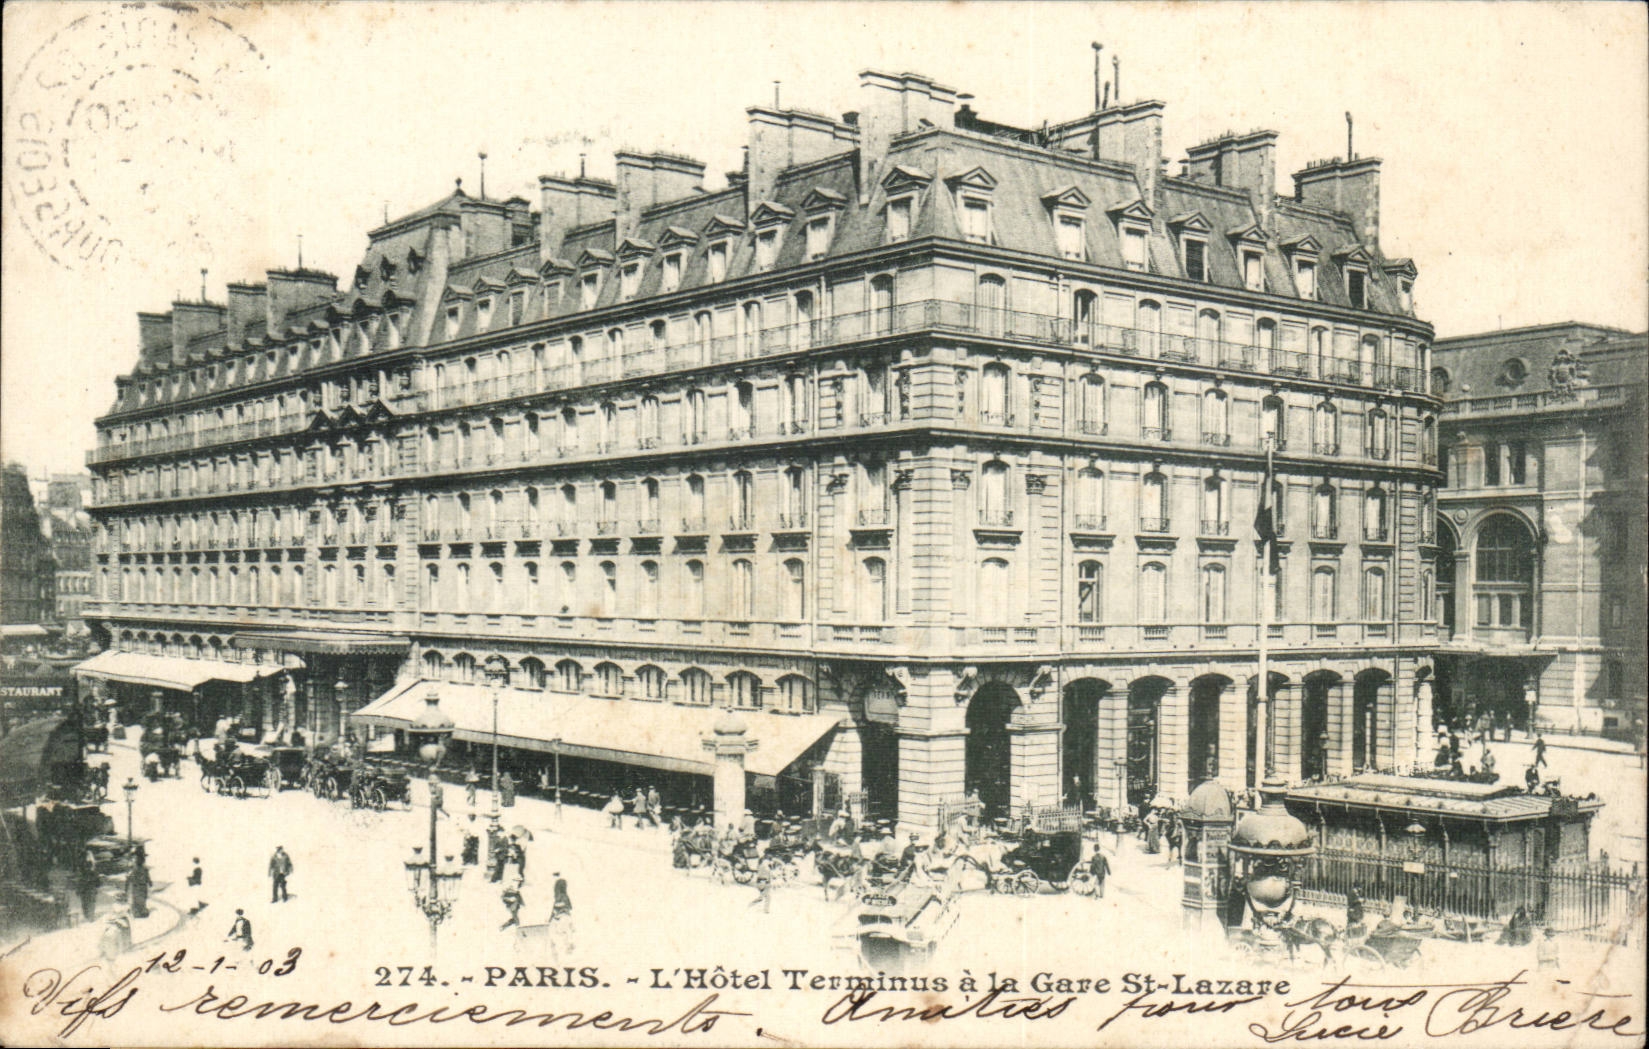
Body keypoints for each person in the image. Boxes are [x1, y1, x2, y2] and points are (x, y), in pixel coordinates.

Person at [127, 844, 151, 918]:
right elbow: (130, 876)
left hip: (140, 885)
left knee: (141, 898)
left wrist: (149, 881)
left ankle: (140, 911)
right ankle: (137, 911)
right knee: (137, 898)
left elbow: (146, 874)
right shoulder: (135, 867)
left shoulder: (142, 868)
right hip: (137, 885)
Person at [77, 849, 101, 923]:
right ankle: (90, 917)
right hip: (90, 889)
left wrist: (78, 889)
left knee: (85, 904)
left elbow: (80, 880)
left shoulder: (84, 871)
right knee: (90, 904)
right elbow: (98, 883)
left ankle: (88, 917)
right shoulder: (93, 871)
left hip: (85, 889)